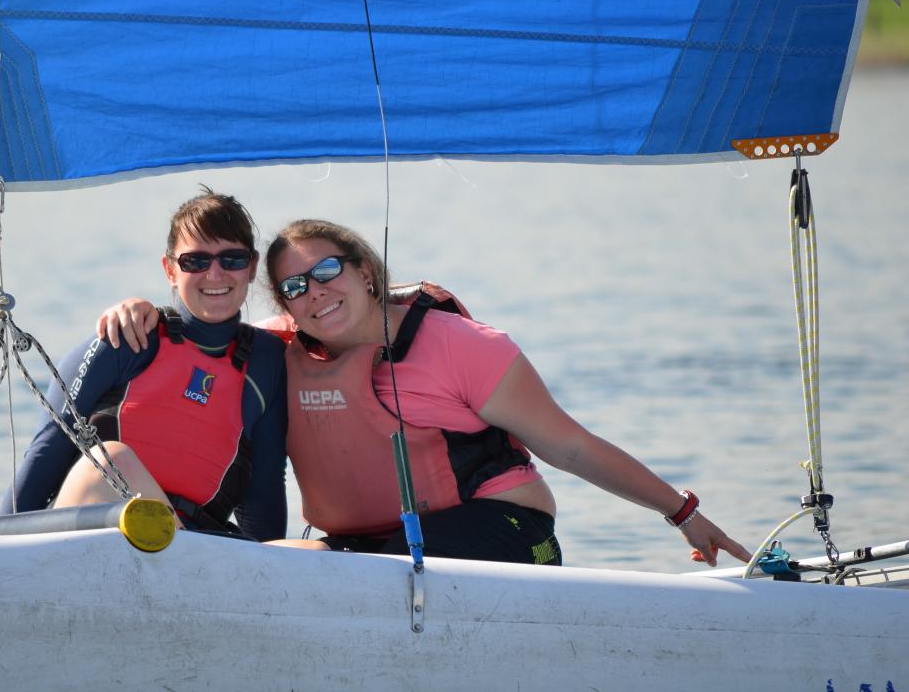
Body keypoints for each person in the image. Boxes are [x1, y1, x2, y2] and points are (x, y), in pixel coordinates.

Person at [99, 218, 750, 567]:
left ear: (366, 270)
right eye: (295, 287)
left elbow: (571, 447)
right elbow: (204, 326)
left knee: (357, 574)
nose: (315, 292)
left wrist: (682, 512)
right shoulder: (275, 352)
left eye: (327, 270)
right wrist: (141, 310)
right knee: (277, 564)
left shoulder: (460, 345)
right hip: (368, 553)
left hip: (504, 531)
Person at [0, 189, 288, 542]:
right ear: (170, 270)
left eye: (232, 259)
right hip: (96, 536)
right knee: (113, 460)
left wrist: (270, 565)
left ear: (252, 267)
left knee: (309, 550)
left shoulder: (266, 362)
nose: (215, 274)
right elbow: (45, 456)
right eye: (195, 262)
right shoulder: (126, 339)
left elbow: (263, 499)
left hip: (191, 548)